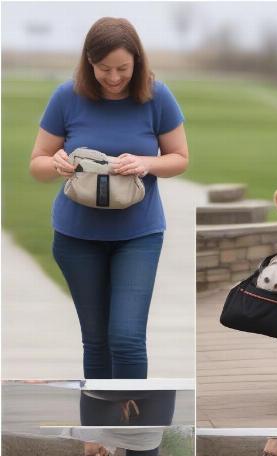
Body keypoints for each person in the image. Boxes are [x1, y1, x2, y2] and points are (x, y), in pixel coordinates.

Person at [29, 17, 189, 380]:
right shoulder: (66, 97)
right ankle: (99, 430)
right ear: (89, 61)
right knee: (96, 342)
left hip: (138, 235)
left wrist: (146, 163)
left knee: (127, 338)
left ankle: (136, 434)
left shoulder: (157, 95)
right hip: (76, 237)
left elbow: (180, 159)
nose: (114, 78)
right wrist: (55, 163)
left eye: (123, 69)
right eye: (104, 69)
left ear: (137, 61)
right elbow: (36, 164)